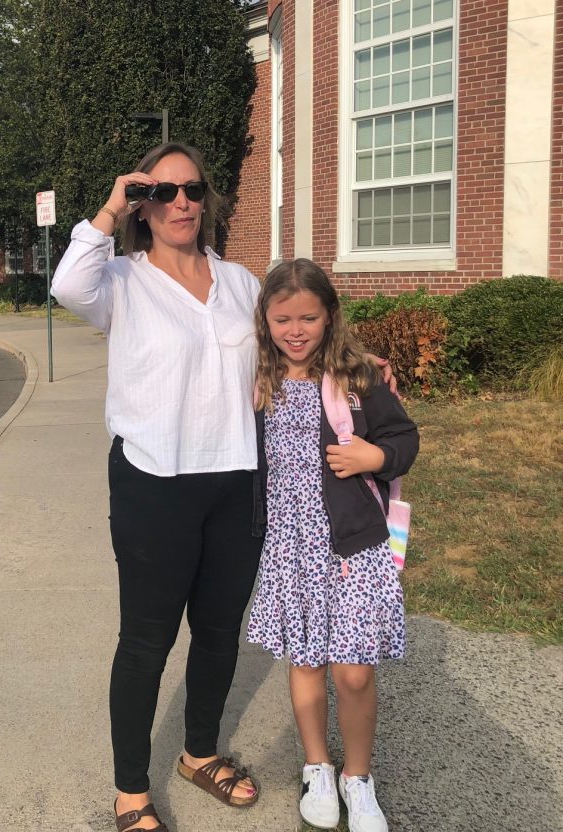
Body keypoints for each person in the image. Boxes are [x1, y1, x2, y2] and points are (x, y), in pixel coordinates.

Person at [52, 143, 264, 832]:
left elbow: (293, 356)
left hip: (235, 479)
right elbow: (65, 286)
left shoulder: (240, 283)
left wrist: (357, 373)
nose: (181, 204)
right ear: (144, 204)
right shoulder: (119, 280)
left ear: (207, 200)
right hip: (153, 481)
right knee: (146, 641)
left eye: (193, 191)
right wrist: (112, 205)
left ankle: (198, 753)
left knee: (219, 632)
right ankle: (131, 792)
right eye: (163, 191)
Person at [245, 259, 419, 832]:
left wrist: (376, 456)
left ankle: (358, 778)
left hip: (352, 548)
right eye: (283, 318)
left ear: (330, 317)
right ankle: (317, 764)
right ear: (265, 320)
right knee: (307, 661)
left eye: (309, 318)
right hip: (290, 552)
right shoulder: (259, 381)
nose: (295, 330)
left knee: (355, 672)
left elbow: (402, 436)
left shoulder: (356, 378)